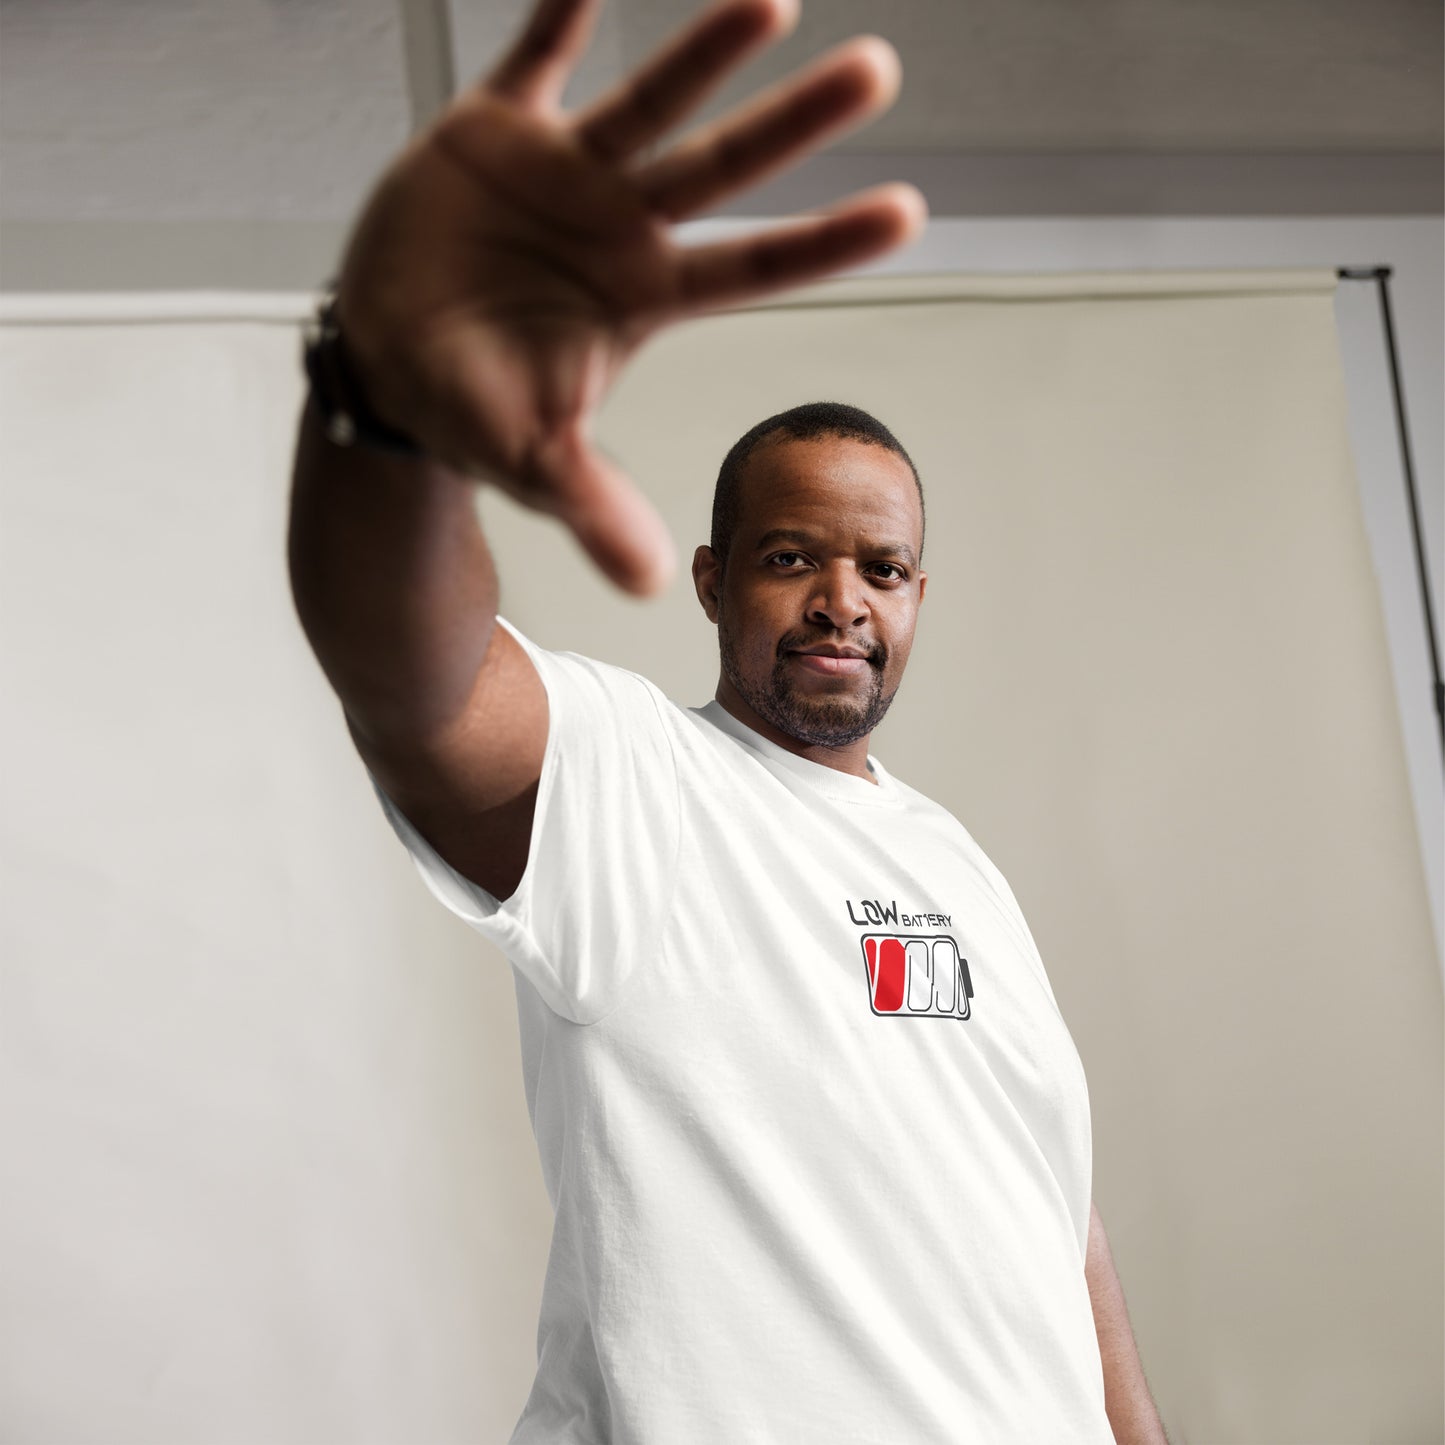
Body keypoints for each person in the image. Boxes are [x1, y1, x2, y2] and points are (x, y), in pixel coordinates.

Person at [286, 0, 1169, 1440]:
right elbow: (416, 683)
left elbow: (1055, 1208)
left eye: (879, 569)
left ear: (917, 595)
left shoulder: (954, 862)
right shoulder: (637, 783)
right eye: (788, 557)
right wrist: (390, 406)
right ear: (712, 579)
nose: (840, 599)